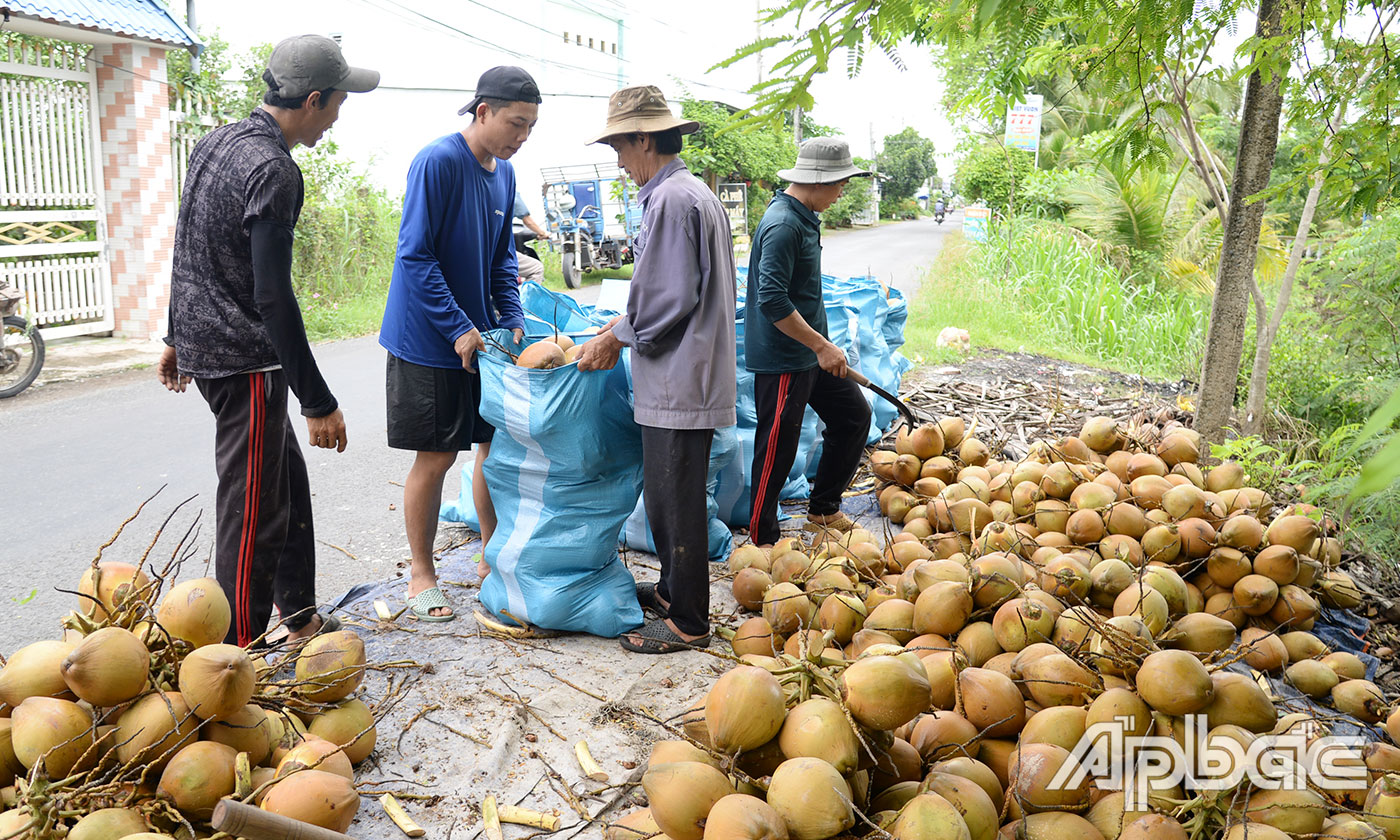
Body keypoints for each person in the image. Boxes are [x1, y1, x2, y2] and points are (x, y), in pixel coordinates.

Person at [157, 35, 379, 648]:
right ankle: (235, 654)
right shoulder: (274, 168)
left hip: (211, 349)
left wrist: (178, 334)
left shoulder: (217, 142)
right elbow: (273, 296)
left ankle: (299, 611)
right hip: (244, 359)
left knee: (283, 481)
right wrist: (316, 399)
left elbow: (189, 248)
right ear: (312, 100)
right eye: (337, 104)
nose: (337, 116)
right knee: (252, 507)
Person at [575, 85, 737, 654]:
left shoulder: (671, 200)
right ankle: (672, 591)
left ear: (644, 138)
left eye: (620, 145)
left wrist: (614, 338)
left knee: (679, 496)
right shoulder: (688, 194)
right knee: (668, 496)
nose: (618, 160)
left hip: (680, 375)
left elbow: (667, 298)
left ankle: (689, 621)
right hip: (679, 373)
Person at [379, 67, 539, 621]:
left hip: (479, 339)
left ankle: (490, 559)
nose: (521, 136)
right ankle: (421, 576)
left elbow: (501, 258)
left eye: (530, 127)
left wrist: (512, 316)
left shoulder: (506, 173)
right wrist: (457, 327)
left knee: (490, 449)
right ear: (483, 112)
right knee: (438, 453)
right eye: (516, 123)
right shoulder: (439, 161)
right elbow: (415, 255)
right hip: (428, 339)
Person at [745, 137, 874, 549]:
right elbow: (772, 299)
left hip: (810, 353)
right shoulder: (783, 224)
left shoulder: (802, 217)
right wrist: (821, 346)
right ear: (820, 182)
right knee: (776, 450)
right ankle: (761, 540)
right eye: (840, 185)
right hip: (786, 358)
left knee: (853, 417)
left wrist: (821, 346)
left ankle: (823, 511)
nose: (841, 193)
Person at [512, 190, 548, 285]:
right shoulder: (510, 193)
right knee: (536, 268)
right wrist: (542, 233)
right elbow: (528, 221)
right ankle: (527, 300)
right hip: (495, 250)